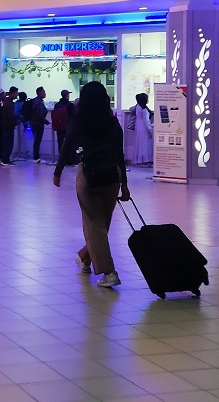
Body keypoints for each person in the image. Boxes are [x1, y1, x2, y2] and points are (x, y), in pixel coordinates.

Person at [52, 81, 130, 288]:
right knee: (101, 225)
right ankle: (84, 259)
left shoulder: (79, 121)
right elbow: (119, 155)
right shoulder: (113, 123)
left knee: (95, 225)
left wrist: (58, 172)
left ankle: (109, 272)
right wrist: (124, 184)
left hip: (89, 176)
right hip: (112, 177)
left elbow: (66, 146)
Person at [52, 90, 77, 165]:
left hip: (59, 127)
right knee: (70, 143)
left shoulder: (57, 105)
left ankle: (62, 160)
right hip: (68, 126)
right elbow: (74, 115)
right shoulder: (70, 105)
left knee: (60, 143)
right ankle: (71, 160)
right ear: (67, 95)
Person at [0, 86, 19, 166]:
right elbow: (11, 115)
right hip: (8, 125)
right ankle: (5, 160)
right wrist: (18, 117)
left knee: (6, 143)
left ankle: (5, 159)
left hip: (5, 125)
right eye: (16, 93)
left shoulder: (5, 101)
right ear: (12, 93)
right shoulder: (9, 103)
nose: (17, 95)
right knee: (8, 144)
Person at [132, 92, 154, 165]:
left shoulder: (138, 107)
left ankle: (140, 160)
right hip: (144, 128)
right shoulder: (144, 109)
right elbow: (146, 121)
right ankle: (145, 160)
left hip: (138, 126)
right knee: (145, 144)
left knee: (140, 143)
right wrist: (150, 130)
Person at [29, 86, 50, 163]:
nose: (45, 93)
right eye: (44, 92)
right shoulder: (39, 102)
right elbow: (39, 115)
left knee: (36, 140)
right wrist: (46, 121)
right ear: (40, 93)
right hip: (38, 124)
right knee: (37, 141)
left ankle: (36, 156)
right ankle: (36, 157)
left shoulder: (36, 101)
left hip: (34, 123)